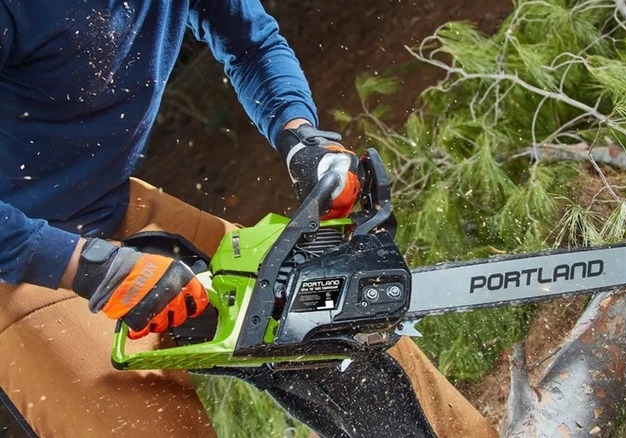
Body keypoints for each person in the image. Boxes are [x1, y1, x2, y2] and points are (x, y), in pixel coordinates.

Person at [0, 1, 497, 437]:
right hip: (16, 267)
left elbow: (250, 42)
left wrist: (301, 136)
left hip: (110, 203)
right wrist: (88, 267)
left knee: (338, 319)